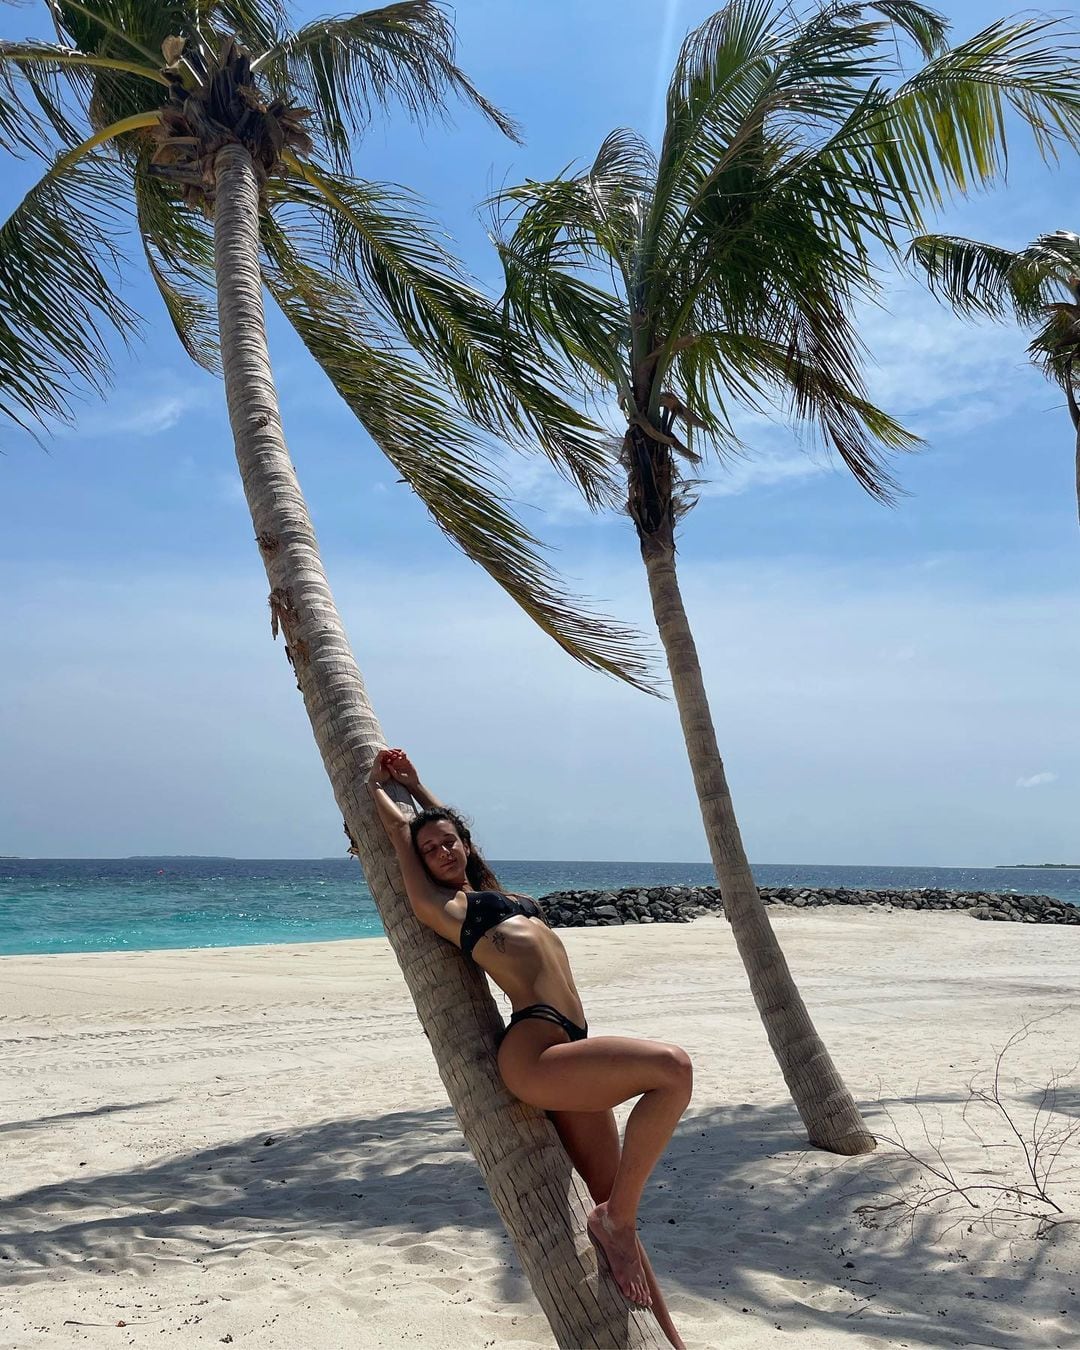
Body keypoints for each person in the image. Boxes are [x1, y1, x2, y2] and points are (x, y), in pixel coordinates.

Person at [368, 747, 691, 1349]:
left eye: (450, 843)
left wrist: (418, 785)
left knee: (613, 1203)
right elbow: (399, 833)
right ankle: (616, 1223)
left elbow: (448, 833)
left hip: (572, 1049)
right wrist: (377, 787)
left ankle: (671, 1341)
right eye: (430, 849)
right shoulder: (449, 909)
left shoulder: (491, 891)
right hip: (535, 1051)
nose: (442, 852)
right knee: (672, 1068)